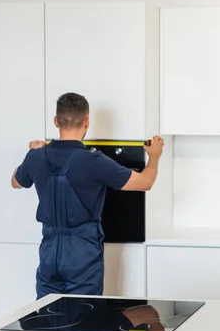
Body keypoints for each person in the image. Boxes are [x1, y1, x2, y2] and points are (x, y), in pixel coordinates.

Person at [11, 92, 165, 299]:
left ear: (56, 121)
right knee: (84, 318)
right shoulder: (94, 161)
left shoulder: (36, 156)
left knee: (45, 317)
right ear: (86, 122)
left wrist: (31, 153)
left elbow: (15, 182)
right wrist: (154, 156)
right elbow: (145, 182)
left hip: (48, 252)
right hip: (82, 253)